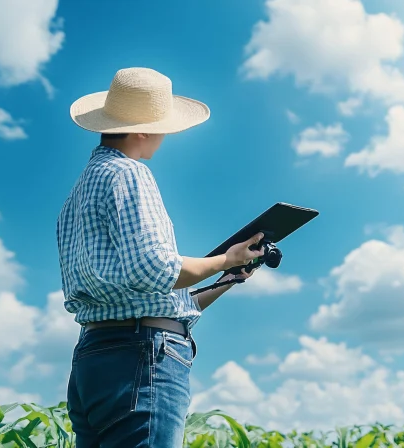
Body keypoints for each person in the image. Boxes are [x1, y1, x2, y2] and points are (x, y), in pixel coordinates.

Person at [56, 67, 265, 447]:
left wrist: (229, 276)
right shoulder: (130, 174)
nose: (165, 136)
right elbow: (157, 269)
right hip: (141, 359)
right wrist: (225, 259)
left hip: (92, 359)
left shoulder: (75, 198)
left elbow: (148, 295)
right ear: (142, 129)